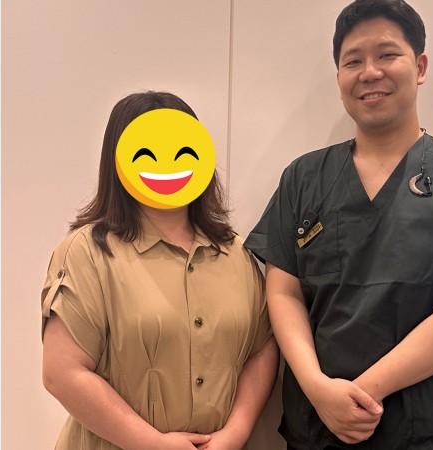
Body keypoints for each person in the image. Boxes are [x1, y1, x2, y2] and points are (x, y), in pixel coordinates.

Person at [244, 1, 433, 449]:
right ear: (339, 77)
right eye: (353, 61)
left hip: (430, 433)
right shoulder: (303, 178)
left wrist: (360, 395)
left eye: (387, 54)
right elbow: (283, 294)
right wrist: (318, 390)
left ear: (420, 66)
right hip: (319, 429)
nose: (370, 72)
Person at [41, 91, 279, 450]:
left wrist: (236, 432)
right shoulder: (88, 253)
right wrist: (151, 443)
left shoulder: (237, 253)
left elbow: (262, 349)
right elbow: (62, 373)